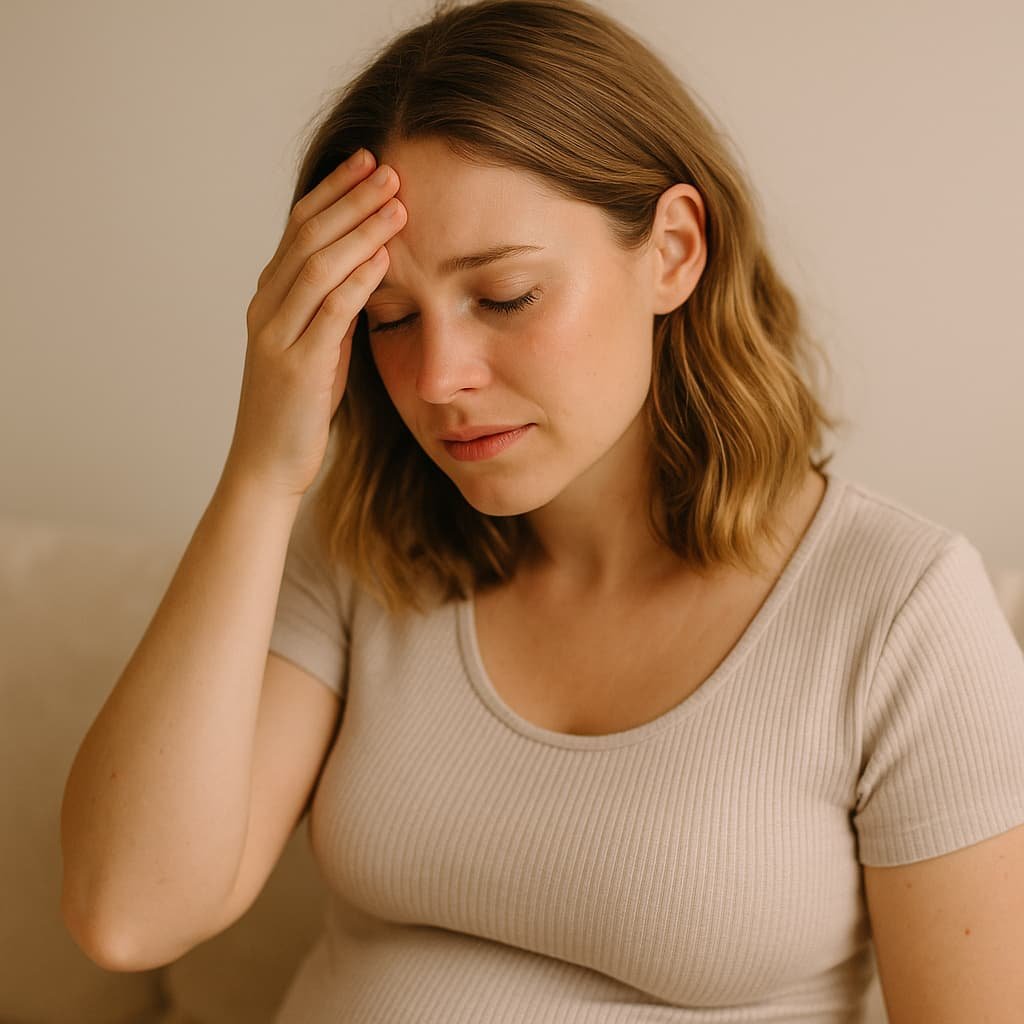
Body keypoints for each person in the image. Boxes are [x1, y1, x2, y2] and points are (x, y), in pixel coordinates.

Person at [60, 0, 1024, 1020]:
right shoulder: (363, 551)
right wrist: (261, 470)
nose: (436, 377)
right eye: (388, 319)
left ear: (674, 251)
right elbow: (128, 911)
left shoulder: (900, 609)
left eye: (506, 295)